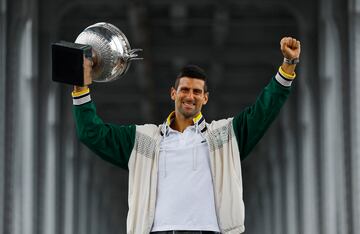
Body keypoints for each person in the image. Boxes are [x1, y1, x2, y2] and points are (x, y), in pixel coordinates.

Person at [72, 37, 301, 234]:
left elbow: (263, 111)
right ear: (174, 93)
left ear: (205, 98)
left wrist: (288, 65)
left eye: (197, 91)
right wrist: (81, 87)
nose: (190, 96)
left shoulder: (225, 137)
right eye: (184, 90)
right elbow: (92, 133)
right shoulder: (143, 139)